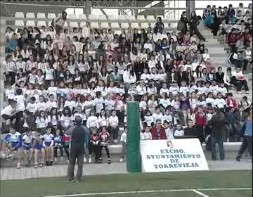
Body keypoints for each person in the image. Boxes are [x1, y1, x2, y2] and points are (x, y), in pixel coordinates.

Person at [67, 116, 89, 182]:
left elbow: (67, 133)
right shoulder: (84, 128)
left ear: (75, 121)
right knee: (80, 164)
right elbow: (88, 132)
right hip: (81, 147)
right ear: (81, 121)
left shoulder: (72, 128)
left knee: (71, 163)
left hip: (73, 147)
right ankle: (78, 178)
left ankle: (71, 178)